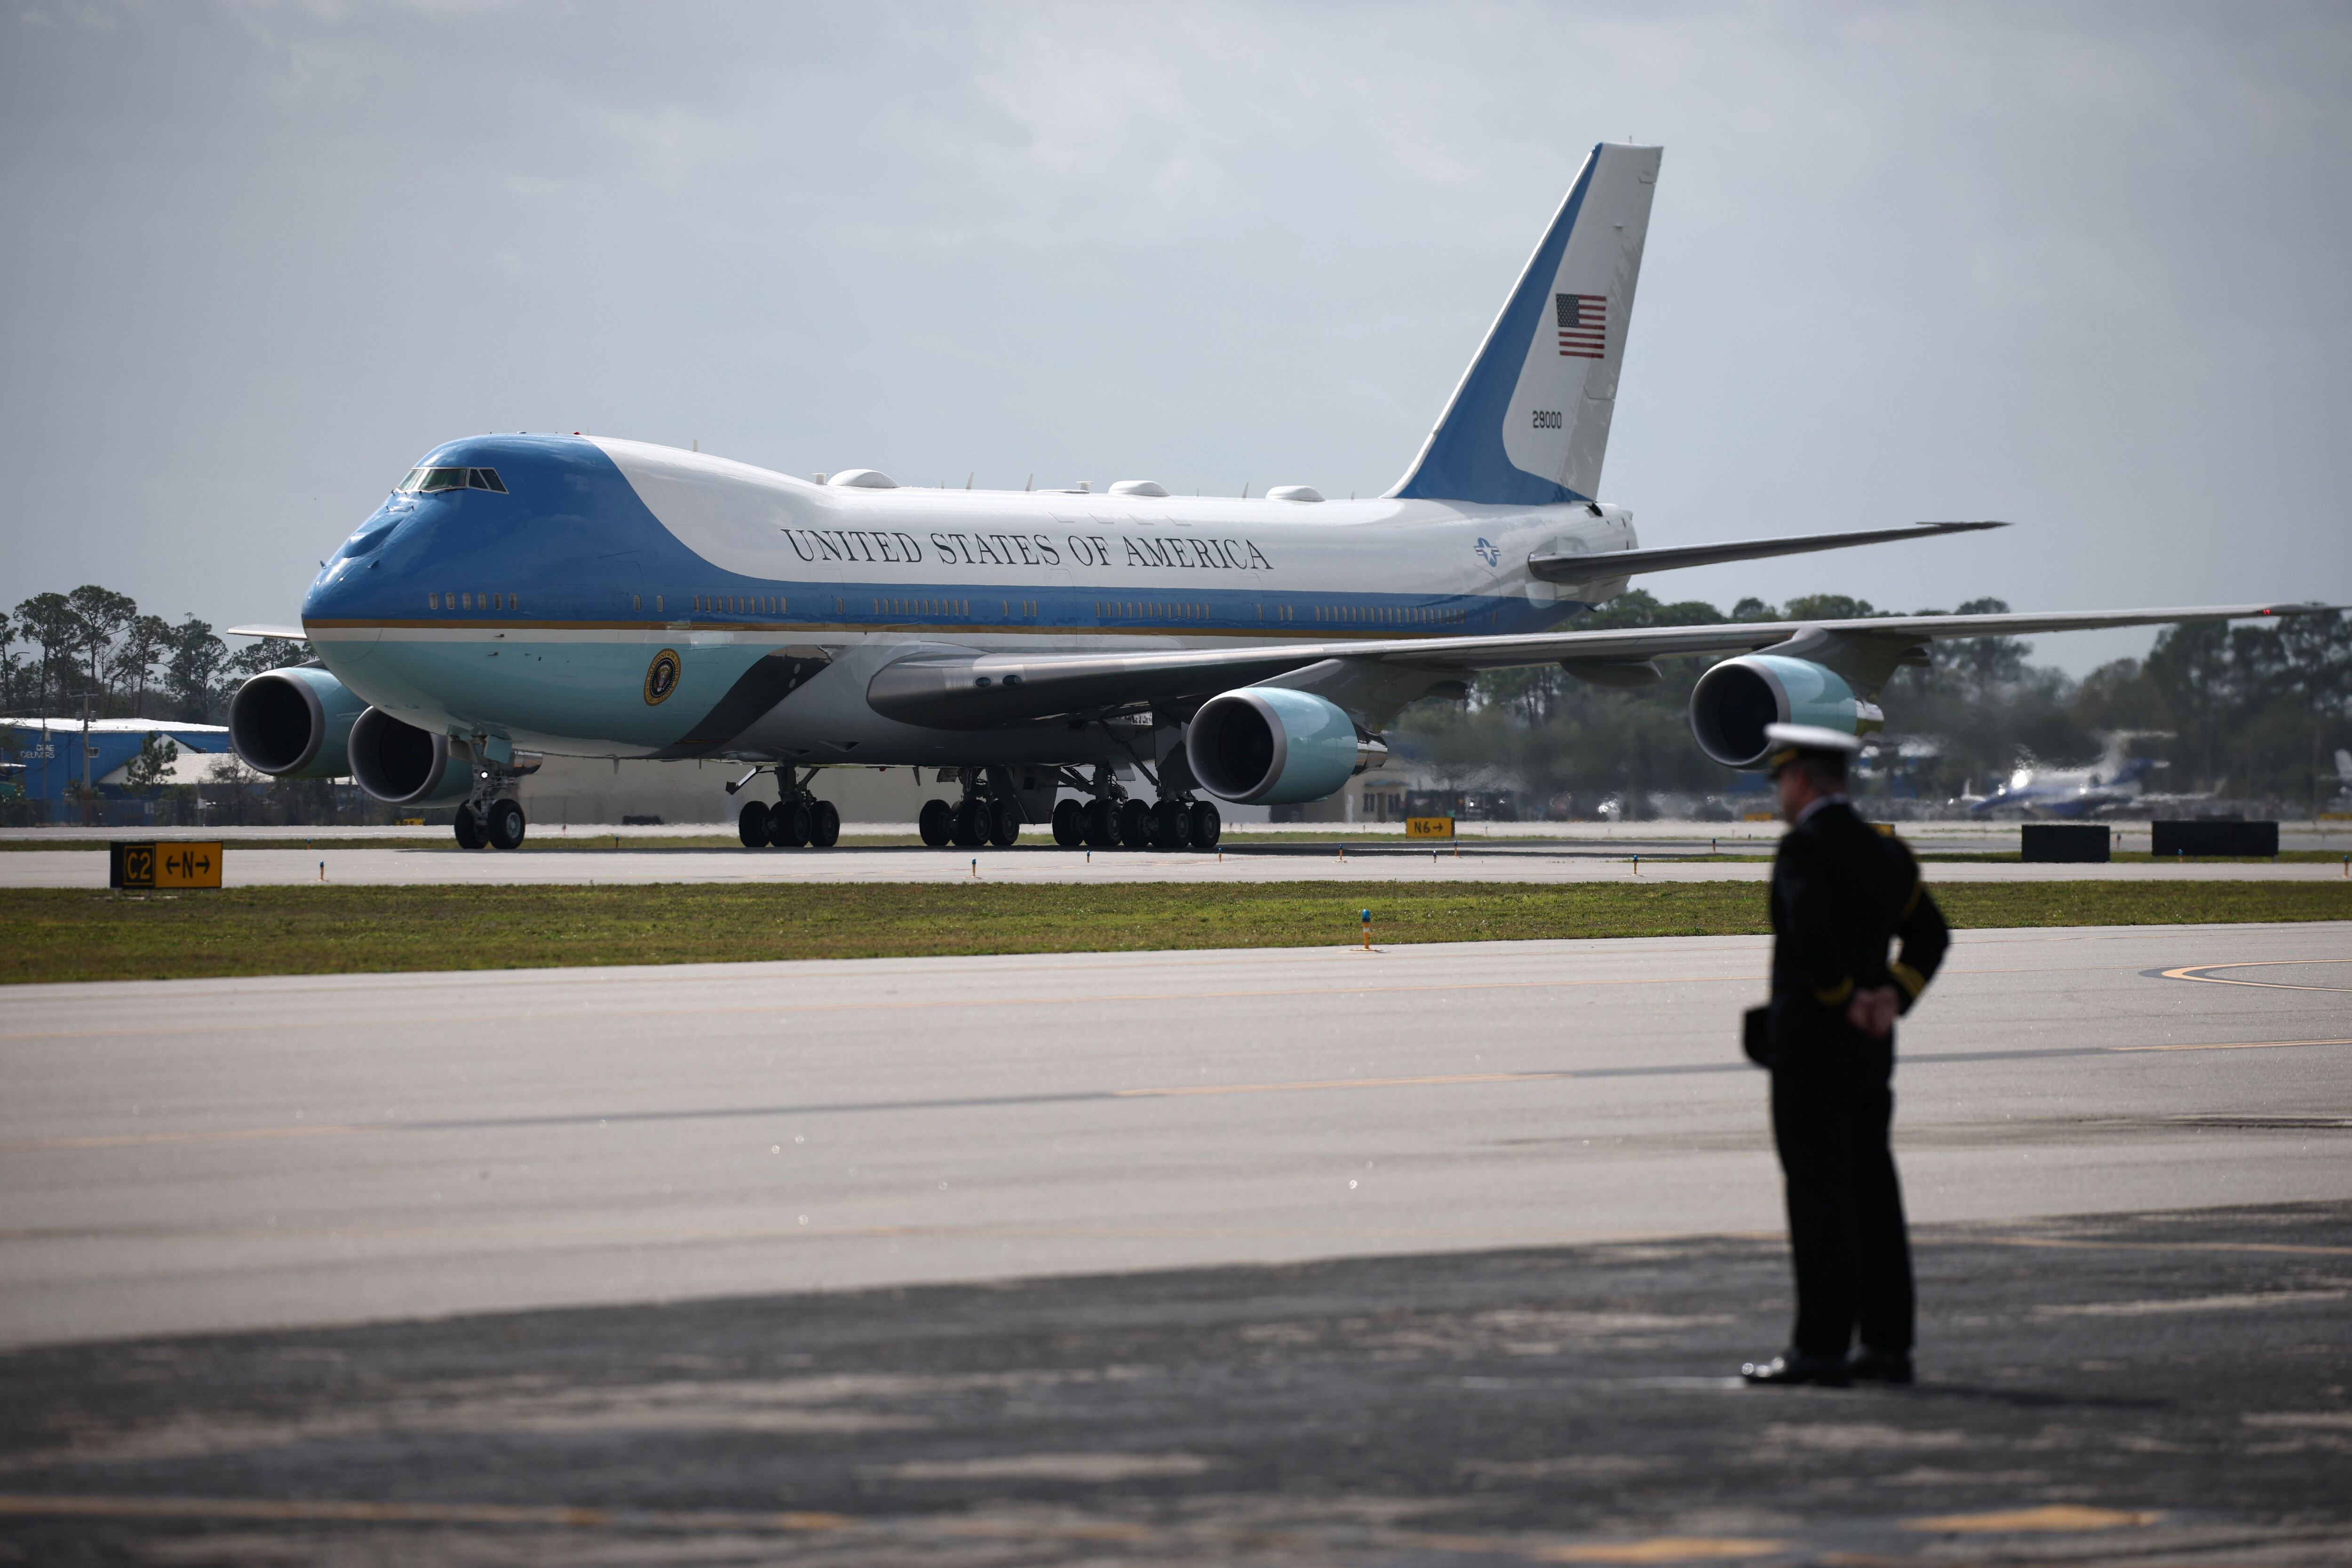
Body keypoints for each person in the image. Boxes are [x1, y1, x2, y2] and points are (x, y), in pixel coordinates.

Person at [1740, 723, 1948, 1388]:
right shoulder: (1886, 851)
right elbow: (1931, 935)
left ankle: (1821, 1346)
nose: (1780, 793)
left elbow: (1807, 931)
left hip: (1811, 1049)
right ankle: (1888, 1344)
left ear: (1801, 780)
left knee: (1819, 1199)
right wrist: (1890, 995)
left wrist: (1845, 995)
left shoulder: (1805, 847)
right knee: (1874, 1195)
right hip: (1869, 1052)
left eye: (1781, 781)